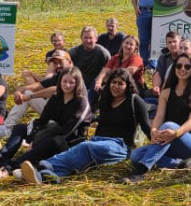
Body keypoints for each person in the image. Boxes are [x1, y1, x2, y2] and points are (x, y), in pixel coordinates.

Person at [19, 69, 151, 183]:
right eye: (113, 82)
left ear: (127, 86)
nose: (115, 86)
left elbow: (146, 126)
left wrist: (155, 148)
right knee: (82, 152)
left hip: (120, 146)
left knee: (85, 147)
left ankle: (46, 165)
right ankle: (50, 176)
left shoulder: (134, 101)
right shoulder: (106, 99)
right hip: (99, 142)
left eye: (120, 84)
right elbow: (101, 123)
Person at [0, 66, 91, 179]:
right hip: (51, 133)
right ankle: (0, 161)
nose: (67, 85)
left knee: (50, 141)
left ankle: (9, 167)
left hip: (68, 142)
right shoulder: (56, 98)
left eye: (71, 83)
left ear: (77, 84)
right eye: (64, 81)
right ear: (60, 82)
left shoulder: (81, 102)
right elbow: (42, 120)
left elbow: (68, 130)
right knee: (21, 128)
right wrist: (33, 137)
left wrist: (39, 140)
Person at [124, 53, 191, 183]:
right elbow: (159, 116)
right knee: (135, 155)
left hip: (190, 141)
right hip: (168, 141)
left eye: (187, 66)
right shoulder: (166, 92)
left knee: (169, 125)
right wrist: (154, 131)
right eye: (179, 66)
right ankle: (179, 163)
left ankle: (141, 170)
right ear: (174, 68)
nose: (182, 69)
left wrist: (176, 133)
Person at [0, 50, 73, 139]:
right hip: (54, 113)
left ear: (69, 62)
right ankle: (7, 127)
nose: (57, 66)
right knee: (27, 92)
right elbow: (36, 86)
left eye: (60, 62)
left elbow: (56, 90)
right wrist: (19, 91)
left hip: (68, 120)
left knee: (29, 95)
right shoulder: (58, 76)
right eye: (55, 63)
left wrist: (30, 96)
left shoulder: (74, 75)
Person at [68, 26, 111, 91]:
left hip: (96, 84)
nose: (88, 41)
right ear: (81, 38)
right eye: (85, 38)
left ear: (96, 39)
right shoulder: (74, 51)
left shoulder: (103, 53)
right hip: (78, 82)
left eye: (90, 38)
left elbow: (109, 69)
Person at [151, 31, 182, 96]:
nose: (172, 44)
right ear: (166, 44)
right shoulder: (163, 57)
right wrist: (156, 86)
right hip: (163, 91)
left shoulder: (186, 58)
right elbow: (158, 73)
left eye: (174, 41)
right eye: (169, 42)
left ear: (180, 42)